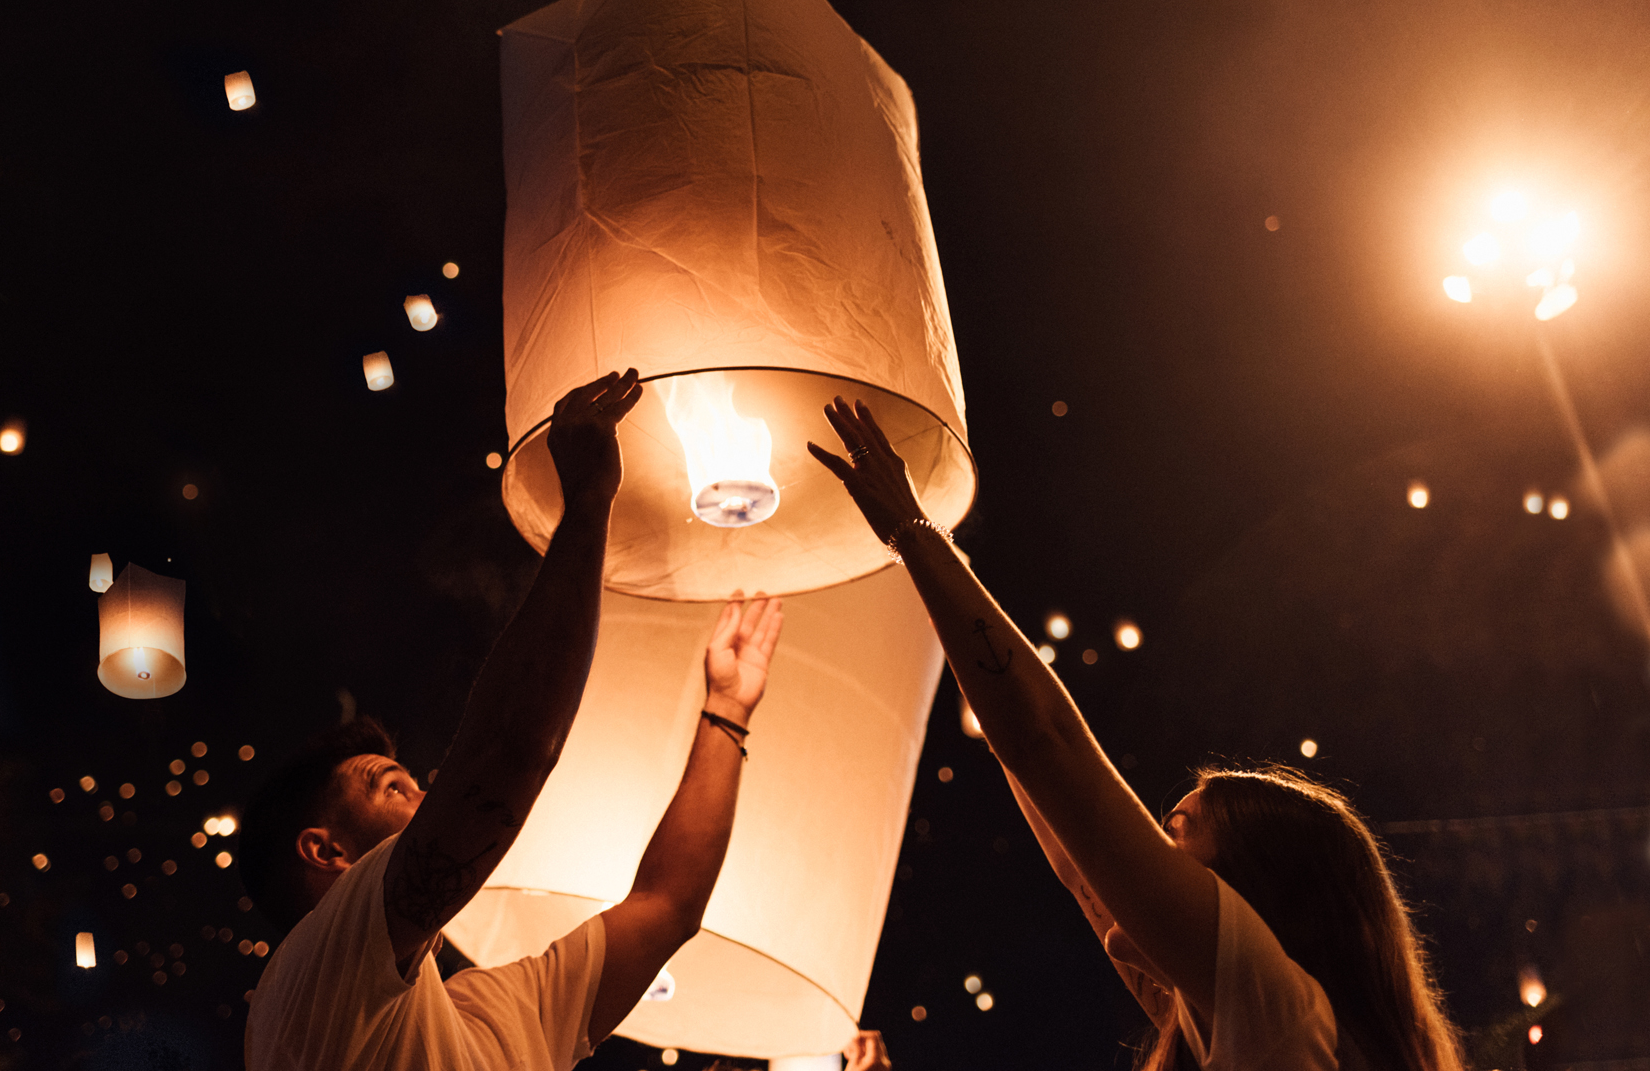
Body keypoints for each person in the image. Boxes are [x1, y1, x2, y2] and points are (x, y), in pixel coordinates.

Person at [808, 397, 1464, 1071]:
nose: (1149, 848)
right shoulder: (1235, 1023)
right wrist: (935, 593)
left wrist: (914, 532)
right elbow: (1071, 844)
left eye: (1177, 832)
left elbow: (1048, 746)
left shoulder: (1278, 1007)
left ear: (1256, 886)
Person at [239, 369, 788, 1071]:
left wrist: (726, 711)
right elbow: (511, 752)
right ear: (326, 853)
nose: (433, 797)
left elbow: (667, 903)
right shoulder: (307, 981)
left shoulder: (492, 1011)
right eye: (392, 787)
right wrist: (586, 504)